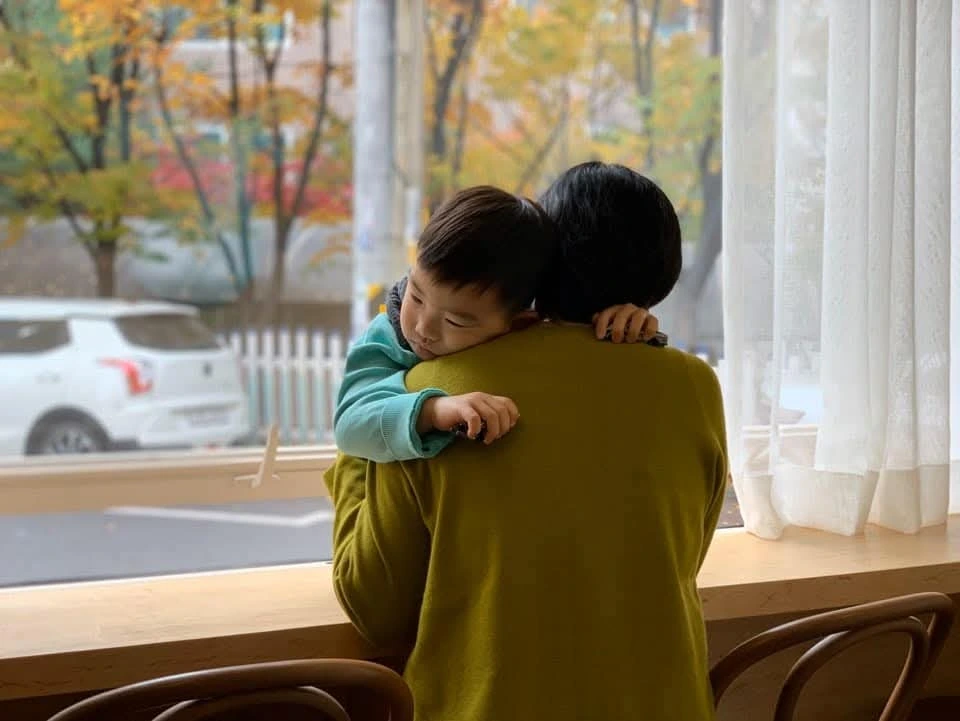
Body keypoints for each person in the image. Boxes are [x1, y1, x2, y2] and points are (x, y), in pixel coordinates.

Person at [325, 162, 727, 721]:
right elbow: (676, 558)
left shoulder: (430, 396)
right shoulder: (694, 386)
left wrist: (361, 448)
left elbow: (375, 609)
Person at [334, 184, 658, 463]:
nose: (423, 329)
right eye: (416, 296)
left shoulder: (530, 332)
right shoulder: (386, 338)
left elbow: (574, 338)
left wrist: (624, 321)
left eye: (454, 321)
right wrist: (433, 411)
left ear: (518, 324)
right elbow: (350, 426)